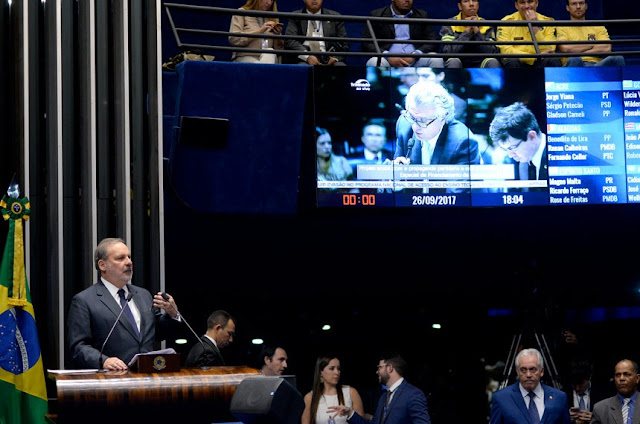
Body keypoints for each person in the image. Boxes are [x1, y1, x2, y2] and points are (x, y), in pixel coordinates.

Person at [66, 238, 181, 370]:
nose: (129, 262)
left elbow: (159, 333)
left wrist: (172, 314)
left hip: (148, 376)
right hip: (111, 381)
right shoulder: (84, 301)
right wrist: (104, 361)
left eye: (129, 257)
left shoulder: (143, 295)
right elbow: (78, 346)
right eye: (120, 258)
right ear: (102, 265)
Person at [393, 80, 479, 193]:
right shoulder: (405, 125)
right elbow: (397, 187)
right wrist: (396, 179)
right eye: (412, 118)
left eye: (423, 121)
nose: (415, 127)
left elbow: (456, 197)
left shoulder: (463, 142)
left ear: (443, 116)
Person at [328, 352, 431, 424]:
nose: (377, 371)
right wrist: (350, 413)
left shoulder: (413, 394)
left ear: (390, 368)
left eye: (380, 367)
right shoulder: (383, 397)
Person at [490, 348, 571, 424]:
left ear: (541, 371)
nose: (528, 374)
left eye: (532, 369)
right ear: (517, 372)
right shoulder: (501, 398)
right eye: (523, 370)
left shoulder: (559, 397)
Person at [361, 0, 444, 68]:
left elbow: (433, 41)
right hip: (387, 60)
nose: (407, 0)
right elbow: (367, 43)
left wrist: (415, 55)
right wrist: (388, 56)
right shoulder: (377, 15)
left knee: (436, 59)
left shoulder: (422, 15)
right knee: (374, 61)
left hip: (415, 60)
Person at [488, 102, 548, 188]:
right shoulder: (523, 161)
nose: (510, 155)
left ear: (532, 136)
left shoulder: (560, 158)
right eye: (505, 149)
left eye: (512, 148)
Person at [556, 0, 625, 67]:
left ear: (586, 6)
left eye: (581, 3)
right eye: (574, 4)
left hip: (597, 65)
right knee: (575, 59)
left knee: (617, 58)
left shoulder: (598, 26)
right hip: (576, 65)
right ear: (567, 8)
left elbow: (606, 48)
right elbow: (565, 48)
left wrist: (580, 51)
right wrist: (592, 44)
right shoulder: (562, 27)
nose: (578, 7)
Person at [301, 354, 365, 424]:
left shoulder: (351, 392)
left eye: (338, 368)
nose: (337, 372)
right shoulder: (310, 397)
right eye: (332, 368)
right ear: (320, 372)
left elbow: (361, 422)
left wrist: (349, 412)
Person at [497, 0, 562, 68]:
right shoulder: (506, 22)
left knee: (553, 60)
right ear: (516, 5)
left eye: (530, 1)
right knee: (512, 61)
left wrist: (535, 27)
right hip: (518, 62)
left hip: (540, 63)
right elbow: (505, 51)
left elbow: (550, 50)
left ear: (536, 3)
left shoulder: (548, 22)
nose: (527, 6)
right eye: (522, 2)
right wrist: (533, 57)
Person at [283, 0, 349, 66]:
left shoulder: (334, 16)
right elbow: (290, 41)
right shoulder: (295, 16)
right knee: (302, 68)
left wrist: (334, 58)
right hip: (304, 58)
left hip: (329, 57)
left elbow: (344, 42)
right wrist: (307, 57)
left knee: (340, 66)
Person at [439, 0, 501, 68]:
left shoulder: (486, 25)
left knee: (493, 62)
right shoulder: (449, 24)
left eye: (474, 1)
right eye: (466, 1)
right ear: (460, 6)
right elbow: (448, 52)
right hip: (459, 62)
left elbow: (492, 52)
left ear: (478, 5)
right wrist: (467, 30)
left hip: (480, 64)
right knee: (453, 61)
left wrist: (476, 29)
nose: (471, 4)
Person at [591, 359, 640, 424]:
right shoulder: (600, 409)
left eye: (627, 374)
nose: (621, 378)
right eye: (618, 375)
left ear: (637, 378)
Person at [316, 127, 357, 192]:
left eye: (329, 143)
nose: (327, 147)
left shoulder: (341, 162)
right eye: (322, 143)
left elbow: (354, 188)